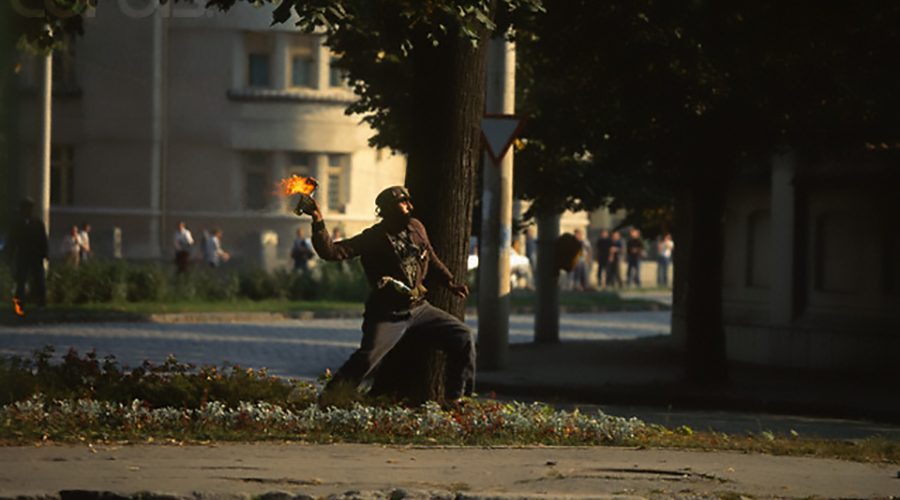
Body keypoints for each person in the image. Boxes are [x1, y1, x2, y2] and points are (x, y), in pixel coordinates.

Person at [301, 185, 475, 405]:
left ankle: (455, 399)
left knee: (462, 336)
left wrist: (450, 282)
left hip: (419, 308)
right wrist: (318, 220)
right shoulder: (373, 238)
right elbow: (331, 252)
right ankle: (328, 401)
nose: (409, 207)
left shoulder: (416, 227)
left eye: (408, 202)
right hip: (387, 313)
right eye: (403, 203)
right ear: (387, 210)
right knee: (367, 359)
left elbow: (430, 255)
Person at [7, 198, 48, 308]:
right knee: (21, 281)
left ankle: (41, 303)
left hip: (35, 255)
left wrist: (44, 254)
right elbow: (12, 240)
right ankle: (19, 304)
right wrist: (9, 255)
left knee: (39, 280)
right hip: (23, 255)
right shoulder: (17, 223)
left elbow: (43, 239)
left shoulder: (37, 223)